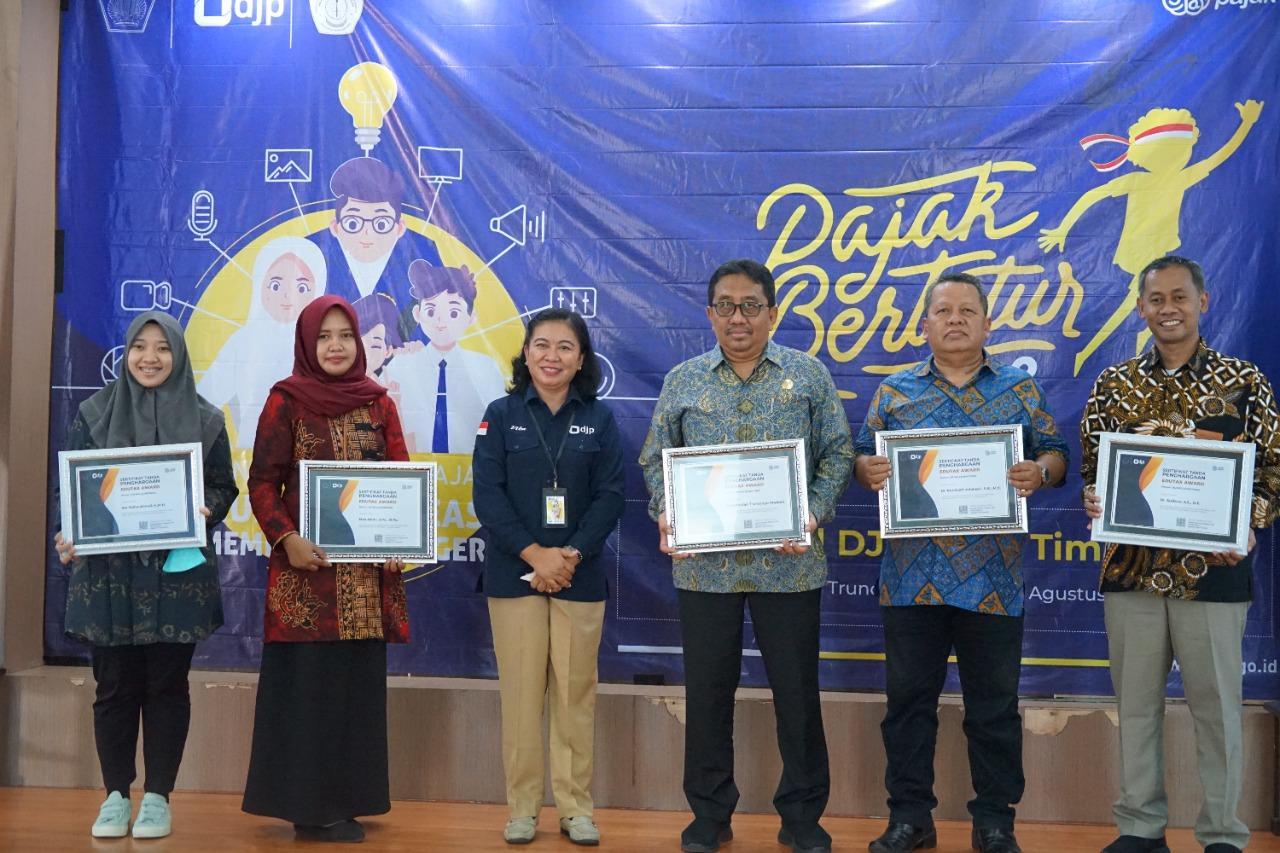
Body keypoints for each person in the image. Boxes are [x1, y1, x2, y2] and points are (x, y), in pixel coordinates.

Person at [638, 259, 854, 853]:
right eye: (727, 306)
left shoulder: (807, 376)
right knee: (708, 694)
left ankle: (802, 818)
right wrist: (668, 511)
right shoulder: (684, 380)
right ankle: (709, 816)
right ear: (710, 314)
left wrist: (811, 513)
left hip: (790, 564)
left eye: (751, 305)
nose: (739, 317)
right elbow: (656, 458)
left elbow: (839, 452)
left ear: (773, 313)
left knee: (796, 693)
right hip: (705, 569)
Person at [852, 272, 1068, 853]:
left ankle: (995, 821)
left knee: (993, 709)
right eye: (943, 310)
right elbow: (863, 456)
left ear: (987, 324)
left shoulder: (1019, 389)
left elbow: (1056, 452)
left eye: (967, 311)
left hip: (993, 580)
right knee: (908, 707)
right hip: (910, 579)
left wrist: (1040, 472)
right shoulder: (894, 391)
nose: (954, 319)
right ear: (924, 324)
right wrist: (865, 469)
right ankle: (909, 818)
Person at [1080, 256, 1280, 853]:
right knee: (1136, 707)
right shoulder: (1112, 384)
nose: (1168, 308)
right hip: (1131, 572)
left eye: (1179, 297)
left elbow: (1273, 471)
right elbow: (1094, 470)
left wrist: (1248, 524)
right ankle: (1140, 828)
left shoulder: (1244, 381)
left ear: (1203, 302)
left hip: (1215, 573)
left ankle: (1222, 834)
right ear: (1141, 308)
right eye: (1156, 299)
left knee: (1217, 710)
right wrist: (1094, 498)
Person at [55, 311, 237, 840]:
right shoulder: (93, 414)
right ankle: (115, 795)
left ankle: (158, 797)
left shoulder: (206, 420)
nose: (150, 358)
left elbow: (224, 486)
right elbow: (71, 489)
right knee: (113, 687)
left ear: (178, 355)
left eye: (163, 347)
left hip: (175, 578)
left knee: (166, 686)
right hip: (107, 576)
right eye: (140, 346)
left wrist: (205, 508)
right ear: (127, 352)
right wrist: (69, 532)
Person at [241, 295, 411, 843]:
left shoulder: (379, 403)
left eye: (344, 336)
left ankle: (348, 800)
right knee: (308, 693)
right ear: (306, 343)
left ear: (359, 342)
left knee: (355, 691)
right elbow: (261, 482)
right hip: (306, 577)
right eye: (323, 337)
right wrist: (286, 538)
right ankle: (309, 808)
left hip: (364, 581)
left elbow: (400, 479)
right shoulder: (286, 401)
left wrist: (400, 540)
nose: (335, 346)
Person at [472, 308, 625, 846]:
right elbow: (487, 496)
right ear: (526, 353)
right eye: (541, 345)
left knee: (574, 696)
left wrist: (569, 556)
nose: (551, 356)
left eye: (565, 347)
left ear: (581, 359)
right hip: (513, 574)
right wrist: (536, 554)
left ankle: (575, 809)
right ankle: (522, 809)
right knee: (520, 697)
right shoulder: (500, 414)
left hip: (578, 578)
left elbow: (611, 496)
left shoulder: (600, 419)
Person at [197, 235, 326, 447]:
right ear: (260, 285)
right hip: (253, 453)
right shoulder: (242, 342)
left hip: (313, 452)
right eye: (275, 286)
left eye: (302, 288)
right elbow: (207, 401)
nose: (288, 297)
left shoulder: (322, 344)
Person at [383, 260, 507, 455]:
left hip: (472, 467)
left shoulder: (486, 367)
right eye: (431, 311)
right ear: (417, 313)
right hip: (410, 466)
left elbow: (500, 422)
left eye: (454, 312)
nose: (441, 320)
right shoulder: (401, 364)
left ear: (471, 317)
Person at [316, 156, 443, 337]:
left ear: (400, 228)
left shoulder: (423, 253)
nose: (367, 232)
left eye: (381, 224)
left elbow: (441, 321)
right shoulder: (314, 256)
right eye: (353, 223)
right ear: (335, 227)